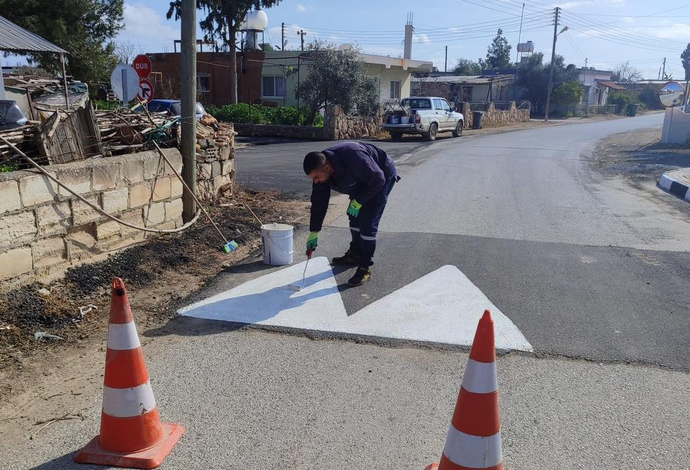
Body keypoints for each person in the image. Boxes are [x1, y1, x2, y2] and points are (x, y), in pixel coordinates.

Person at [303, 142, 398, 287]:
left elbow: (378, 179)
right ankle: (355, 254)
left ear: (327, 167)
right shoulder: (322, 171)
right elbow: (319, 202)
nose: (315, 181)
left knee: (367, 222)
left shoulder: (353, 157)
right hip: (360, 181)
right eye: (313, 179)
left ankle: (365, 267)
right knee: (354, 216)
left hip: (380, 176)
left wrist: (359, 201)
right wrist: (314, 231)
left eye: (316, 177)